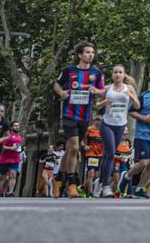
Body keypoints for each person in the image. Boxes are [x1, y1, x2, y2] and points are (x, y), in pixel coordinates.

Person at [52, 42, 105, 198]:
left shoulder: (97, 72)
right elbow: (56, 84)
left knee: (70, 150)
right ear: (80, 55)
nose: (91, 55)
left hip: (85, 116)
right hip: (69, 114)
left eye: (92, 52)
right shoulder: (69, 70)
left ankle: (58, 180)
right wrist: (61, 93)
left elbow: (102, 91)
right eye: (87, 52)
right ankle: (72, 183)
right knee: (75, 148)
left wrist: (97, 91)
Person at [95, 64, 139, 198]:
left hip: (121, 125)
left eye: (120, 72)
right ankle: (106, 186)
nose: (117, 74)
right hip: (107, 124)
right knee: (111, 153)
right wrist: (104, 103)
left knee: (108, 155)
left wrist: (131, 95)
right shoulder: (107, 88)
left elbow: (137, 105)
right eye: (115, 72)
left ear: (124, 74)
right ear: (112, 74)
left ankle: (99, 183)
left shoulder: (129, 88)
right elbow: (97, 106)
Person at [0, 121, 23, 197]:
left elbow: (18, 147)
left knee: (13, 175)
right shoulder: (7, 135)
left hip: (15, 159)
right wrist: (11, 148)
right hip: (5, 159)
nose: (17, 127)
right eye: (15, 126)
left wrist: (19, 151)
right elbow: (1, 147)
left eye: (18, 125)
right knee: (2, 177)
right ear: (11, 127)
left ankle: (10, 192)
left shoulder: (19, 137)